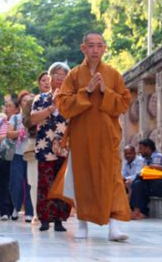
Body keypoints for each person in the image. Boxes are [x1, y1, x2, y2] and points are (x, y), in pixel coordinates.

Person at [54, 31, 131, 241]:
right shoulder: (74, 76)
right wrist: (86, 91)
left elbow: (124, 102)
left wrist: (107, 91)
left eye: (99, 45)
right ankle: (82, 224)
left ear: (105, 48)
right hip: (82, 136)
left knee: (113, 178)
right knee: (83, 178)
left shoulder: (113, 74)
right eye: (91, 45)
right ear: (83, 48)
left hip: (107, 136)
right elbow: (63, 105)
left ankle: (113, 227)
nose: (95, 50)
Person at [30, 62, 71, 232]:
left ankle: (60, 220)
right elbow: (33, 119)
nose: (60, 79)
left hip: (64, 147)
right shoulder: (40, 99)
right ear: (50, 77)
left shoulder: (70, 99)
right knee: (45, 184)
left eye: (63, 76)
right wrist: (52, 106)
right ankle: (45, 219)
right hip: (45, 147)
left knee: (61, 183)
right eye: (57, 75)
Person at [23, 72, 51, 223]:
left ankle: (51, 214)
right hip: (35, 142)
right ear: (39, 83)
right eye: (43, 80)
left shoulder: (60, 99)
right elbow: (27, 121)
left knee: (51, 180)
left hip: (54, 145)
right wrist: (42, 115)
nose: (46, 83)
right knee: (34, 181)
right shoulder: (31, 102)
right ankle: (36, 213)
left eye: (49, 80)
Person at [7, 90, 34, 222]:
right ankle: (16, 208)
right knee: (16, 183)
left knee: (30, 184)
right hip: (18, 155)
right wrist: (20, 132)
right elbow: (9, 133)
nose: (27, 103)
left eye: (30, 100)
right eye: (24, 100)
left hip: (31, 155)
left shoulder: (35, 116)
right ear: (20, 103)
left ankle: (29, 211)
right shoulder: (15, 118)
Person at [0, 99, 20, 220]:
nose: (6, 108)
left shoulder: (20, 121)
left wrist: (8, 136)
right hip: (1, 156)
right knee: (1, 184)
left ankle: (14, 208)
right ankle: (4, 211)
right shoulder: (0, 121)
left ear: (17, 109)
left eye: (10, 106)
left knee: (14, 183)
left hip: (16, 156)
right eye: (6, 106)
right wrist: (7, 135)